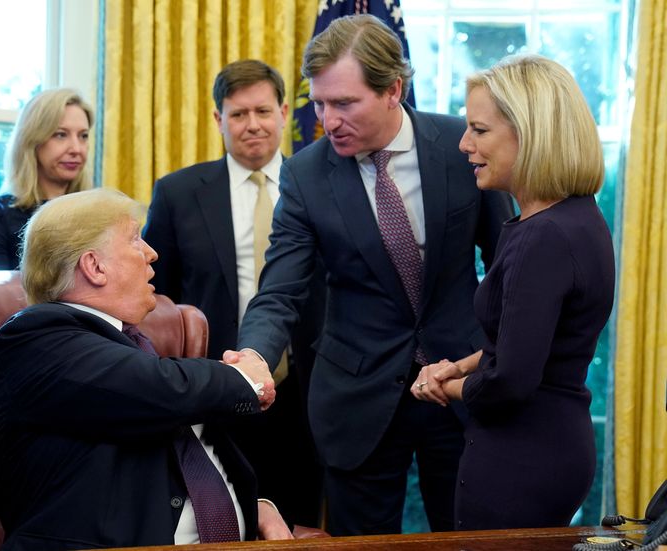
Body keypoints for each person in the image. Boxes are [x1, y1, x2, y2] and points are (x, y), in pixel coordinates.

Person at [225, 14, 515, 536]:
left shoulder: (461, 147)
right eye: (317, 103)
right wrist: (254, 355)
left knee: (472, 540)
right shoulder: (307, 174)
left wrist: (500, 358)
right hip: (356, 402)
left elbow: (506, 265)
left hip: (459, 386)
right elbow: (281, 289)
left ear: (392, 90)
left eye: (343, 103)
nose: (327, 120)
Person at [0, 188, 292, 550]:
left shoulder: (132, 345)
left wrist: (255, 507)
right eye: (135, 238)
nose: (152, 253)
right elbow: (161, 388)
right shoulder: (35, 338)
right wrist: (244, 379)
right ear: (94, 266)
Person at [411, 54, 615, 530]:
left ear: (530, 132)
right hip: (553, 445)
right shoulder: (577, 216)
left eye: (479, 131)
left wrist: (441, 387)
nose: (464, 144)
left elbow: (511, 381)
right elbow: (521, 344)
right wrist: (459, 365)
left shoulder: (541, 237)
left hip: (521, 461)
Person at [142, 59, 325, 528]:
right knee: (226, 518)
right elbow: (154, 300)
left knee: (303, 520)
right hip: (216, 386)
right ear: (218, 119)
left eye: (263, 111)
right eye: (238, 114)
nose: (252, 125)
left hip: (311, 387)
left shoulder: (325, 187)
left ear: (285, 112)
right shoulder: (178, 193)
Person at [0, 88, 93, 270]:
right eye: (61, 134)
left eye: (83, 136)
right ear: (32, 141)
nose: (77, 148)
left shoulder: (98, 215)